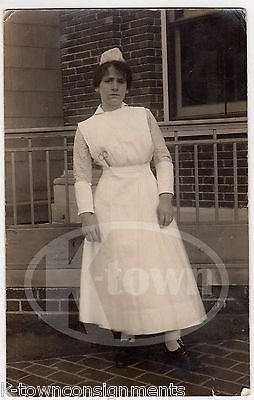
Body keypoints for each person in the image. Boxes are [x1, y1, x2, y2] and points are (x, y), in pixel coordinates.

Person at [73, 48, 207, 369]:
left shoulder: (142, 115)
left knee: (157, 265)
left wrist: (165, 195)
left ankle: (172, 342)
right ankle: (128, 336)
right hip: (111, 201)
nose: (115, 87)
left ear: (127, 86)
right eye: (108, 81)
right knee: (121, 266)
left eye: (121, 81)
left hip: (147, 196)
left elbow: (162, 157)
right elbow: (81, 176)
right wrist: (87, 214)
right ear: (97, 86)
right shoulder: (86, 128)